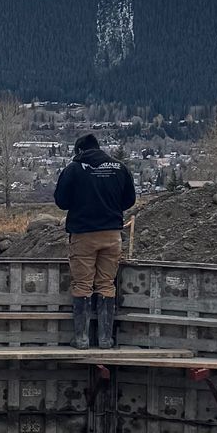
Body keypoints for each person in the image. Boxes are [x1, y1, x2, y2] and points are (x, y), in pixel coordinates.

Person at [54, 132, 136, 347]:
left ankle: (81, 339)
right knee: (106, 284)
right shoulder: (119, 168)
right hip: (112, 234)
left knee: (82, 283)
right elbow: (129, 200)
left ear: (79, 150)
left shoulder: (74, 169)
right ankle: (106, 339)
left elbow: (61, 201)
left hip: (83, 234)